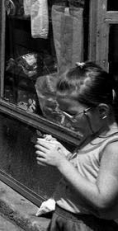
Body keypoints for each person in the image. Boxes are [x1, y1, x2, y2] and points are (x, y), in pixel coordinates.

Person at [35, 62, 118, 231]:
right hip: (66, 219)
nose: (65, 120)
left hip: (86, 225)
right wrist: (64, 154)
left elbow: (102, 199)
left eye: (71, 114)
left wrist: (61, 163)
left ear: (102, 111)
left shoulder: (113, 147)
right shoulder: (93, 134)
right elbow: (89, 170)